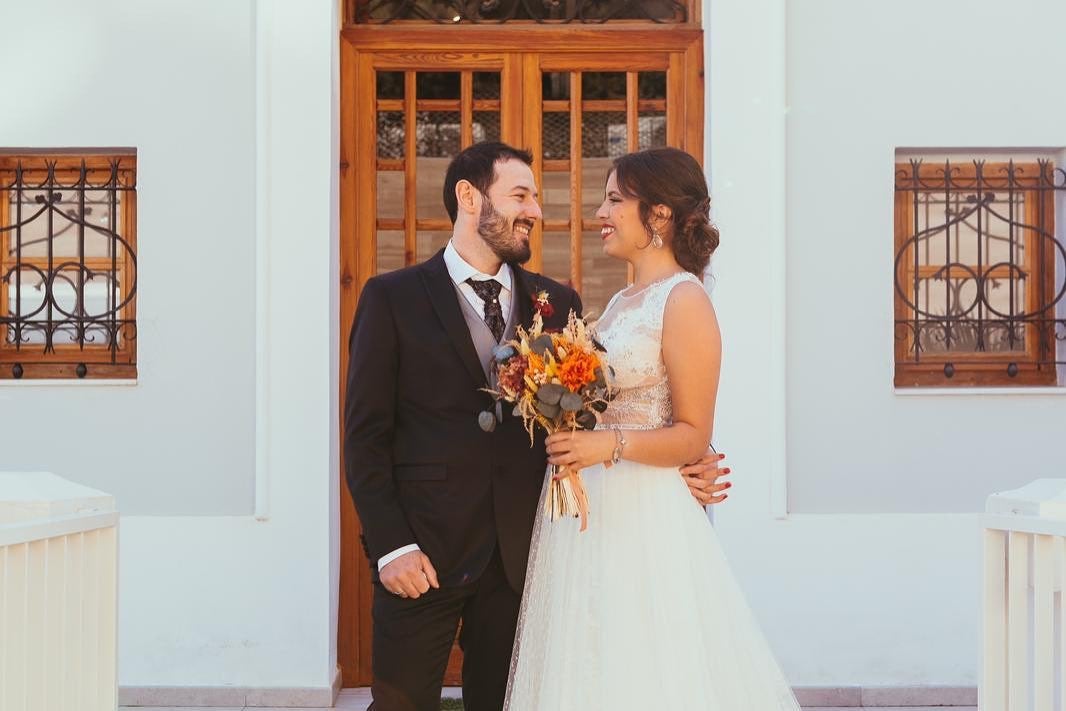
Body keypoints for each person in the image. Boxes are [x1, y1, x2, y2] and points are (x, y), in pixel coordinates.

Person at [344, 142, 730, 711]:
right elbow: (364, 437)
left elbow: (608, 405)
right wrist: (391, 545)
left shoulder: (561, 303)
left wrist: (692, 455)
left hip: (526, 558)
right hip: (422, 556)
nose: (536, 210)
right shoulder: (391, 298)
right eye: (520, 195)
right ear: (470, 198)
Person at [505, 147, 800, 710]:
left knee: (647, 665)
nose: (601, 213)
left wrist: (605, 445)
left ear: (659, 215)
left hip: (644, 513)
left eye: (616, 199)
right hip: (588, 511)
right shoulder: (618, 303)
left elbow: (692, 432)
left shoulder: (686, 301)